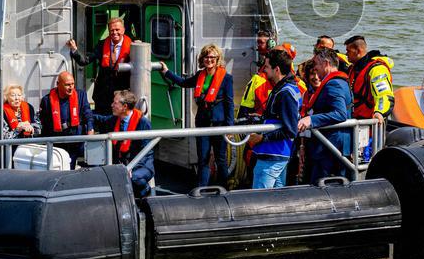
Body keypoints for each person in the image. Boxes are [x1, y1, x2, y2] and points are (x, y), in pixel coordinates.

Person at [159, 44, 235, 187]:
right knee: (203, 158)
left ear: (218, 59)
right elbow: (183, 83)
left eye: (212, 57)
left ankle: (224, 188)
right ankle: (202, 188)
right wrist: (167, 72)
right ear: (202, 59)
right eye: (206, 56)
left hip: (219, 123)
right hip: (203, 122)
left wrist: (230, 127)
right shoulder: (200, 75)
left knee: (221, 158)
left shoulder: (227, 78)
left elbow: (229, 103)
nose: (209, 59)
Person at [297, 47, 353, 184]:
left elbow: (340, 114)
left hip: (331, 148)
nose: (314, 68)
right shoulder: (341, 82)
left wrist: (311, 119)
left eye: (316, 64)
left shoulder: (333, 84)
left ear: (326, 64)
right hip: (334, 146)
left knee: (321, 185)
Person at [247, 48, 301, 189]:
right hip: (276, 154)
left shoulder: (285, 93)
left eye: (267, 67)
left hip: (272, 155)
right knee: (277, 197)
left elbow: (290, 130)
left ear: (277, 69)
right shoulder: (285, 89)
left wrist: (262, 138)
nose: (264, 70)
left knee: (260, 198)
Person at [94, 90, 155, 197]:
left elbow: (146, 152)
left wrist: (131, 168)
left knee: (135, 178)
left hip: (141, 165)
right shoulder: (114, 120)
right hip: (123, 164)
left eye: (115, 103)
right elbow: (100, 119)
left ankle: (146, 192)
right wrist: (85, 113)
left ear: (124, 107)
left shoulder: (143, 123)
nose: (111, 105)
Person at [67, 17, 133, 115]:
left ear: (123, 30)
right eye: (112, 30)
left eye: (117, 30)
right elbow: (85, 60)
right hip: (102, 96)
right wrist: (74, 50)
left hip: (121, 96)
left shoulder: (132, 46)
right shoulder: (102, 45)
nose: (114, 32)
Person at [39, 71, 94, 167]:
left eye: (72, 84)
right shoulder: (47, 101)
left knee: (94, 161)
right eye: (67, 85)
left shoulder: (81, 95)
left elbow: (88, 113)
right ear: (58, 84)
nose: (71, 87)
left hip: (77, 139)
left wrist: (90, 128)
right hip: (58, 142)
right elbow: (44, 123)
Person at [344, 35, 394, 124]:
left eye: (348, 51)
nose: (346, 54)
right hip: (353, 120)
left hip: (370, 124)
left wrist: (379, 112)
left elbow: (384, 95)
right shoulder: (352, 68)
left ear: (358, 51)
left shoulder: (377, 70)